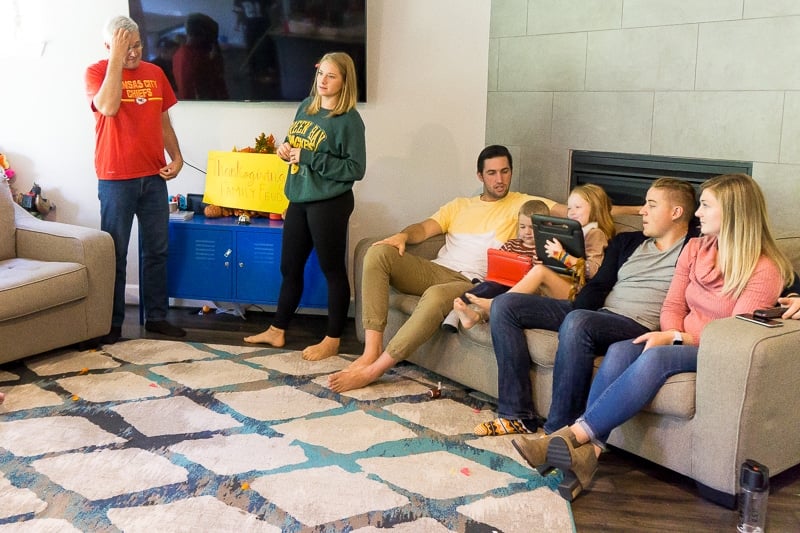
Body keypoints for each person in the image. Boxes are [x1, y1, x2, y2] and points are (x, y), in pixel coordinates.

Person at [513, 173, 795, 502]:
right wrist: (670, 331)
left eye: (705, 206)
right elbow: (674, 303)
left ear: (733, 212)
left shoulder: (763, 269)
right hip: (680, 336)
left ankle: (569, 435)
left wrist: (675, 338)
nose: (698, 213)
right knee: (621, 349)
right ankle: (589, 454)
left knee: (656, 355)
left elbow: (730, 332)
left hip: (716, 350)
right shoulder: (695, 249)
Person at [326, 145, 571, 393]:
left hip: (470, 281)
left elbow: (570, 210)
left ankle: (374, 370)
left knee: (435, 296)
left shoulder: (523, 203)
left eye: (505, 172)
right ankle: (371, 351)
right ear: (480, 176)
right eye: (492, 173)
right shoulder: (459, 205)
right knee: (377, 253)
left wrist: (603, 210)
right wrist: (402, 236)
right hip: (437, 269)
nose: (500, 179)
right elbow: (422, 229)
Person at [474, 177, 699, 436]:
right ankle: (517, 414)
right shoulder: (628, 242)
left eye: (651, 205)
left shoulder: (696, 248)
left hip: (637, 324)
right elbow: (599, 285)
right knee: (505, 305)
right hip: (599, 314)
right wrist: (573, 309)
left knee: (579, 321)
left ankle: (559, 432)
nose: (642, 211)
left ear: (676, 212)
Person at [244, 52, 365, 361]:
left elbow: (355, 168)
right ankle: (277, 330)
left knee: (332, 271)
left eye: (331, 76)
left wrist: (308, 158)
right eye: (320, 73)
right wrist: (284, 150)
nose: (322, 80)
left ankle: (333, 339)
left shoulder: (348, 119)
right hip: (299, 198)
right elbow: (294, 142)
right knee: (289, 267)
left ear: (344, 81)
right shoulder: (305, 107)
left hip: (330, 203)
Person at [85, 15, 186, 344]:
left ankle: (157, 317)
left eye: (138, 44)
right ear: (109, 46)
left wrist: (177, 157)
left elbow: (163, 120)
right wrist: (116, 59)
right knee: (115, 253)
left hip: (153, 176)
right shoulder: (97, 72)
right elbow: (109, 107)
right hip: (116, 177)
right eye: (125, 46)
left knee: (157, 250)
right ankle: (112, 324)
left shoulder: (155, 73)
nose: (133, 52)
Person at [457, 183, 615, 329]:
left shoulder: (595, 234)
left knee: (539, 271)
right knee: (524, 287)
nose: (571, 212)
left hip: (577, 293)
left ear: (594, 208)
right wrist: (546, 259)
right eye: (569, 208)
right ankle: (477, 316)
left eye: (577, 207)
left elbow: (593, 270)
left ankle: (495, 303)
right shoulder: (571, 231)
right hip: (557, 285)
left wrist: (561, 256)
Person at [441, 199, 550, 332]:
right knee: (488, 286)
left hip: (524, 292)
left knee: (503, 299)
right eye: (522, 227)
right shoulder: (511, 245)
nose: (527, 232)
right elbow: (497, 263)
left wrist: (543, 263)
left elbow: (548, 280)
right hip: (503, 283)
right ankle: (457, 310)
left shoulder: (546, 250)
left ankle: (477, 313)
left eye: (532, 227)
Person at [172, 13, 229, 100]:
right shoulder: (194, 57)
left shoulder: (181, 54)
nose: (211, 42)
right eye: (211, 37)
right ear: (203, 34)